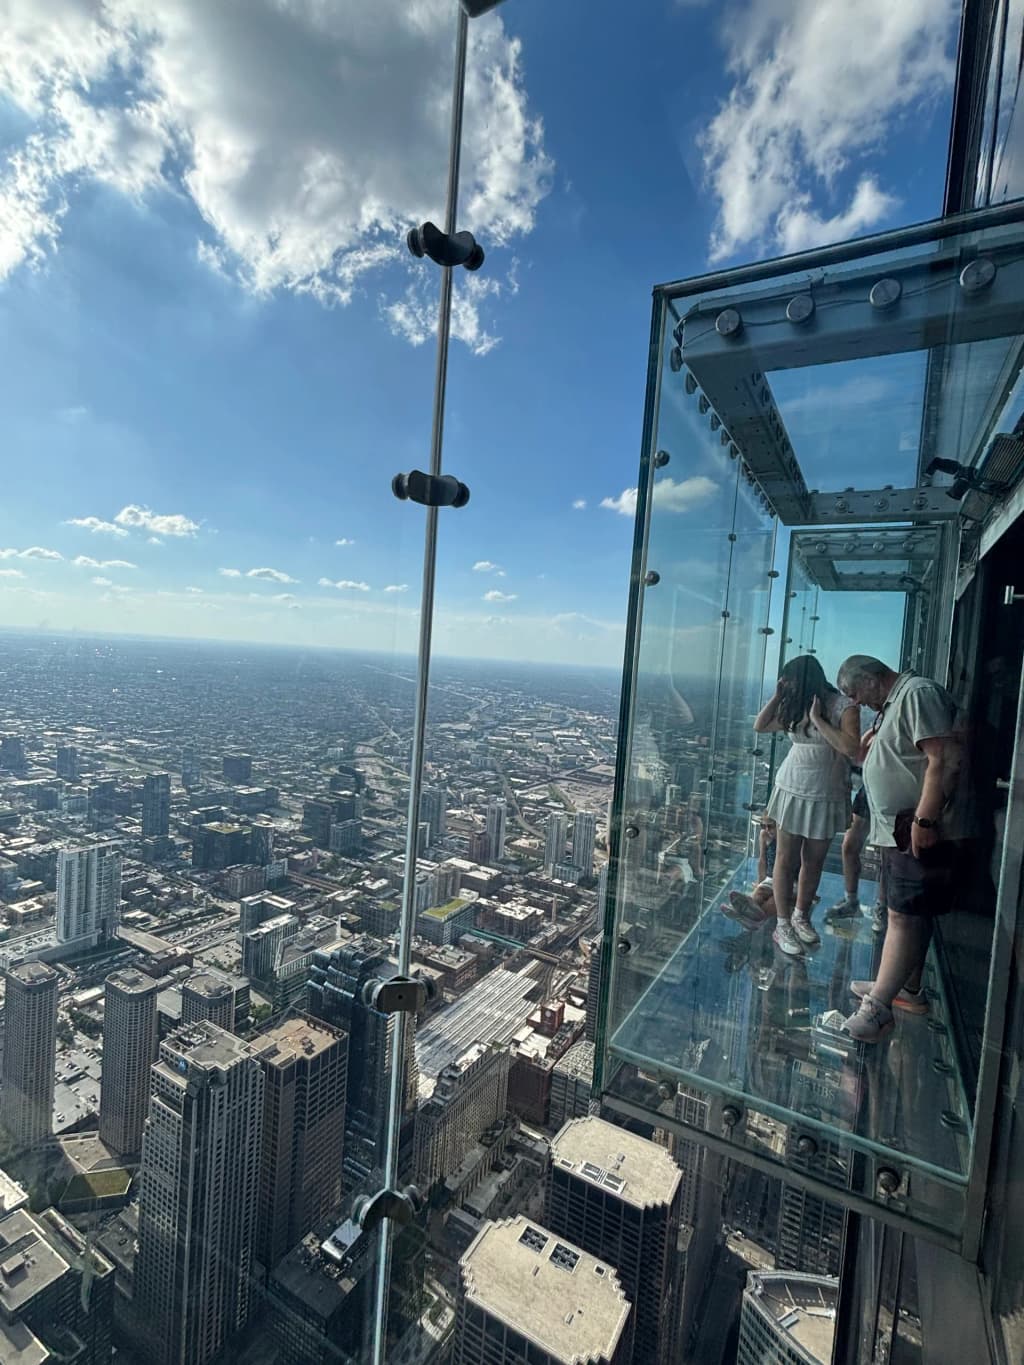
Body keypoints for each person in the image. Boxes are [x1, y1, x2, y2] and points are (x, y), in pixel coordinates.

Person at [833, 655, 963, 1043]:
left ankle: (878, 1009)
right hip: (899, 829)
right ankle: (901, 987)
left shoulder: (918, 694)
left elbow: (944, 759)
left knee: (903, 916)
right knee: (907, 913)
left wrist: (924, 819)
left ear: (873, 678)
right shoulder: (894, 705)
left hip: (913, 826)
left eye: (855, 693)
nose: (855, 702)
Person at [754, 655, 860, 956]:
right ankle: (783, 923)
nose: (786, 686)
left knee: (814, 859)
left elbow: (851, 748)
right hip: (794, 785)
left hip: (826, 788)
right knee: (786, 859)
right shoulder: (794, 704)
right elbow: (760, 726)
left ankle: (800, 915)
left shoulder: (843, 707)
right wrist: (777, 697)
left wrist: (818, 721)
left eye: (788, 681)